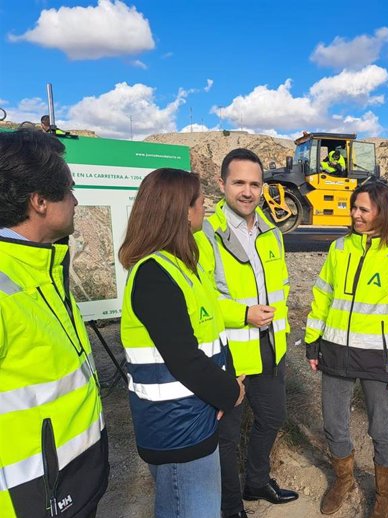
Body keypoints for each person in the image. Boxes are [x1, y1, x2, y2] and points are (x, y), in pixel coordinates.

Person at [119, 168, 245, 518]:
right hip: (177, 431)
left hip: (195, 415)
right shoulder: (154, 274)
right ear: (180, 211)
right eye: (201, 203)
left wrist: (226, 383)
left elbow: (212, 335)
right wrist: (229, 393)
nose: (205, 209)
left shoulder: (184, 266)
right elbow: (184, 358)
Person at [0, 129, 109, 518]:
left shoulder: (43, 267)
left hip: (70, 484)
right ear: (40, 202)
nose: (76, 200)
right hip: (29, 499)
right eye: (68, 190)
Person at [305, 180, 388, 518]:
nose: (355, 214)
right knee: (334, 424)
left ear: (382, 213)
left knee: (381, 429)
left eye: (363, 209)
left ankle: (386, 493)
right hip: (335, 352)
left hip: (377, 358)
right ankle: (344, 480)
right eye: (353, 208)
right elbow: (322, 297)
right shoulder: (339, 248)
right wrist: (313, 341)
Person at [196, 148, 298, 518]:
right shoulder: (205, 235)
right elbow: (200, 302)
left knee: (272, 418)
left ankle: (256, 482)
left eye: (255, 184)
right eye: (239, 182)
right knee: (226, 436)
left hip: (271, 349)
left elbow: (282, 288)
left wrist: (276, 327)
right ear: (221, 184)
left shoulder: (272, 232)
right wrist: (243, 314)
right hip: (231, 356)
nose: (247, 191)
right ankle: (229, 505)